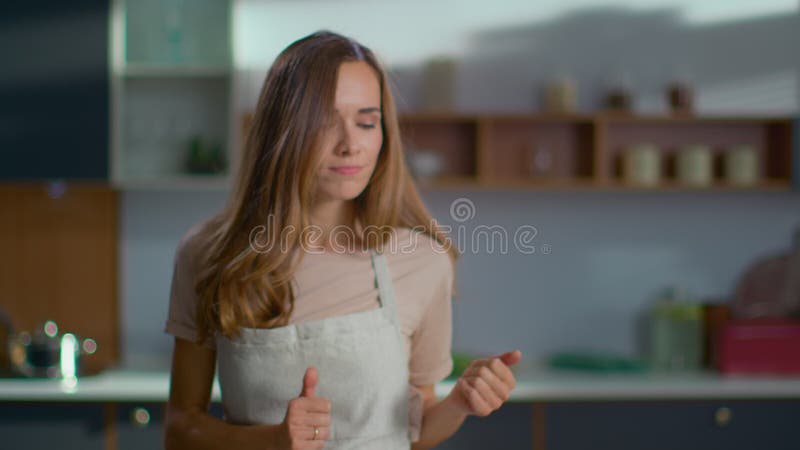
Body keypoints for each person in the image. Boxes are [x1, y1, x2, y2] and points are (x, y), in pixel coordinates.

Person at [163, 30, 521, 450]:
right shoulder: (209, 253)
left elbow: (416, 431)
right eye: (325, 123)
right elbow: (180, 429)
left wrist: (459, 403)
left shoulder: (423, 260)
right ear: (284, 131)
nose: (351, 144)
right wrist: (272, 441)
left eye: (367, 122)